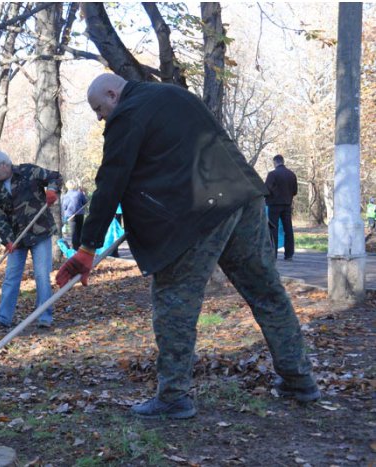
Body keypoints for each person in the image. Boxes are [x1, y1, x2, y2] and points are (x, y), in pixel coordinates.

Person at [56, 73, 319, 420]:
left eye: (99, 109)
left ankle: (173, 396)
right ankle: (300, 380)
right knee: (267, 292)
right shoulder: (175, 96)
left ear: (112, 93)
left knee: (174, 306)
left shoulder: (129, 112)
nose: (99, 117)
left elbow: (111, 180)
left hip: (195, 214)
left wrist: (87, 247)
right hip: (243, 198)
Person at [0, 150, 62, 329]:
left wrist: (52, 190)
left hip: (40, 232)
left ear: (4, 165)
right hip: (17, 238)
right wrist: (8, 240)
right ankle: (3, 317)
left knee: (42, 275)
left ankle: (44, 317)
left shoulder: (28, 171)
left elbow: (54, 177)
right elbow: (0, 217)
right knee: (11, 277)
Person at [265, 154, 298, 260]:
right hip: (287, 205)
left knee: (273, 229)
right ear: (283, 162)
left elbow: (266, 190)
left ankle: (273, 255)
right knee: (288, 229)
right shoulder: (292, 175)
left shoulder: (272, 174)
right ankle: (289, 255)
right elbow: (295, 191)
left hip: (274, 205)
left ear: (275, 162)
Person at [61, 181, 88, 249]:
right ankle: (80, 246)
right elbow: (85, 202)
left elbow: (64, 206)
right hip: (80, 214)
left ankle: (75, 248)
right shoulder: (79, 194)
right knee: (79, 230)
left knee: (73, 232)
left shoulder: (66, 195)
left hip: (71, 215)